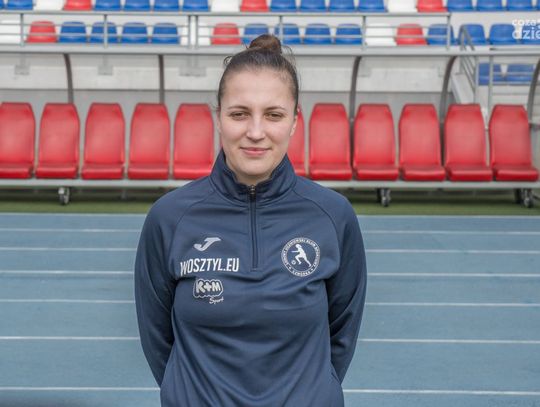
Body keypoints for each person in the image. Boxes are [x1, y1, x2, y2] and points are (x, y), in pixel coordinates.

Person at [134, 34, 367, 407]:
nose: (255, 132)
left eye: (274, 115)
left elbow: (342, 333)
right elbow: (157, 337)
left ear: (294, 121)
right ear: (218, 117)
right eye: (239, 113)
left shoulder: (333, 216)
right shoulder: (170, 218)